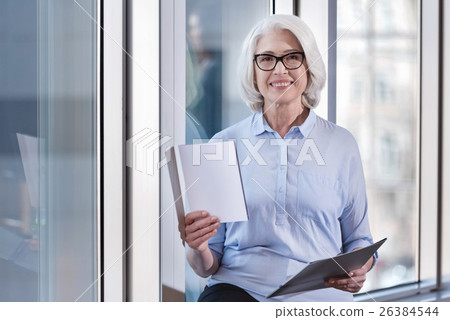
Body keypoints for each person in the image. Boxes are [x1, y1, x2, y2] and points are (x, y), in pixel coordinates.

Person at [183, 14, 377, 302]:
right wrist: (197, 248)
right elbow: (209, 264)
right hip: (240, 291)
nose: (279, 69)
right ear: (253, 71)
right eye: (267, 59)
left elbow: (360, 241)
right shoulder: (224, 145)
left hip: (318, 297)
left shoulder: (341, 144)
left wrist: (359, 268)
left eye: (292, 58)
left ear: (308, 66)